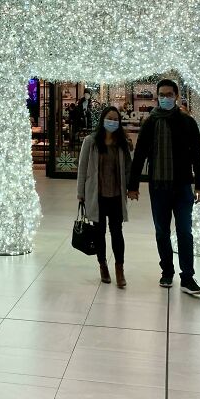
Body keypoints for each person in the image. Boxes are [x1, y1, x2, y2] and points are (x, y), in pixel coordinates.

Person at [128, 79, 200, 296]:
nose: (165, 98)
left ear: (176, 96)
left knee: (185, 232)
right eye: (161, 95)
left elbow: (197, 155)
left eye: (169, 94)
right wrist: (133, 185)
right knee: (162, 231)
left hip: (182, 186)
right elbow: (140, 155)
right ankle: (167, 272)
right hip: (158, 186)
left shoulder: (187, 122)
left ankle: (188, 277)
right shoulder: (150, 123)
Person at [77, 105, 132, 288]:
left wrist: (131, 188)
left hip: (116, 195)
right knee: (99, 233)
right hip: (97, 195)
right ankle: (103, 265)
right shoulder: (91, 141)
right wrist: (80, 193)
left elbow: (128, 168)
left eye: (116, 119)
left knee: (117, 233)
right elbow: (82, 168)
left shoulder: (122, 143)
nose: (112, 122)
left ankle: (119, 269)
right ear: (102, 120)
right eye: (109, 118)